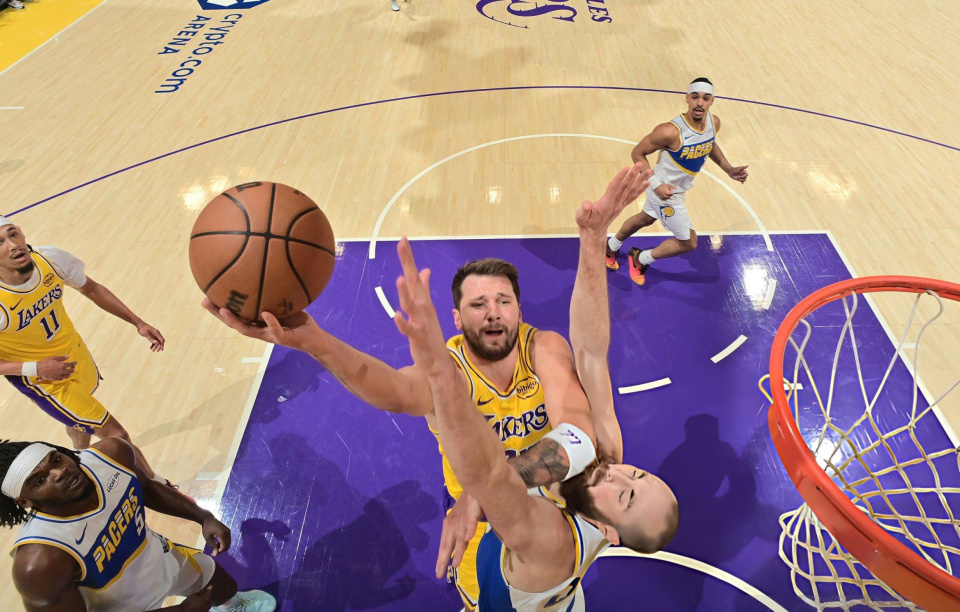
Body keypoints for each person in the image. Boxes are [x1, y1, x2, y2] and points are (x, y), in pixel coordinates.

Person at [202, 254, 598, 610]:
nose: (493, 313)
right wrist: (317, 343)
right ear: (457, 319)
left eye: (503, 301)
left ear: (519, 310)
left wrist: (486, 490)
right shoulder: (448, 371)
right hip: (481, 529)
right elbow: (395, 390)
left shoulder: (543, 347)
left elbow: (578, 433)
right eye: (478, 304)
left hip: (550, 512)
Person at [392, 163, 678, 610]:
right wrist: (593, 240)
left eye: (627, 493)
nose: (621, 472)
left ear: (608, 531)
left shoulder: (549, 540)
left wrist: (477, 494)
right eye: (639, 474)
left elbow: (498, 488)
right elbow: (590, 352)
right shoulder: (602, 465)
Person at [2, 436, 276, 611]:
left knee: (225, 588)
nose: (60, 472)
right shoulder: (39, 564)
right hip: (119, 606)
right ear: (24, 501)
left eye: (56, 459)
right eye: (40, 480)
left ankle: (231, 608)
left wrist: (203, 517)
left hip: (159, 557)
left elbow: (146, 488)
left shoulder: (110, 456)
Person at [0, 217, 173, 486]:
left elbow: (91, 288)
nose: (13, 245)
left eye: (13, 235)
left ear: (22, 233)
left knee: (80, 419)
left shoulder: (50, 259)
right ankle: (158, 486)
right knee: (117, 436)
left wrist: (138, 322)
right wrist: (37, 367)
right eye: (0, 242)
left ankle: (81, 456)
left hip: (73, 352)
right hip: (42, 378)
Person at [605, 78, 749, 285]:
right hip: (665, 192)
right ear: (687, 98)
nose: (700, 102)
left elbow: (709, 144)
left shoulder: (713, 122)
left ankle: (611, 246)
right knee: (689, 242)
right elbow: (637, 153)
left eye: (705, 98)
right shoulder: (670, 131)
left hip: (676, 189)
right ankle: (641, 259)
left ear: (712, 101)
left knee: (645, 218)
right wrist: (656, 185)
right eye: (695, 97)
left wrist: (729, 169)